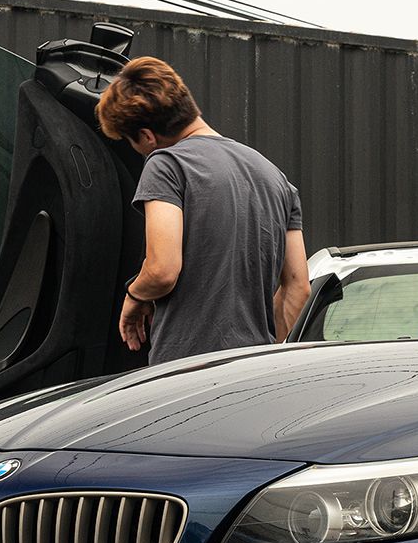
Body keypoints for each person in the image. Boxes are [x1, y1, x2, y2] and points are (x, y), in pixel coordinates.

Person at [93, 56, 311, 363]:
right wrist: (251, 353)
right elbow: (298, 288)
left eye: (132, 142)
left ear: (146, 136)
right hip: (255, 372)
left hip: (185, 374)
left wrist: (135, 296)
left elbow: (162, 270)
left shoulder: (166, 164)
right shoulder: (276, 178)